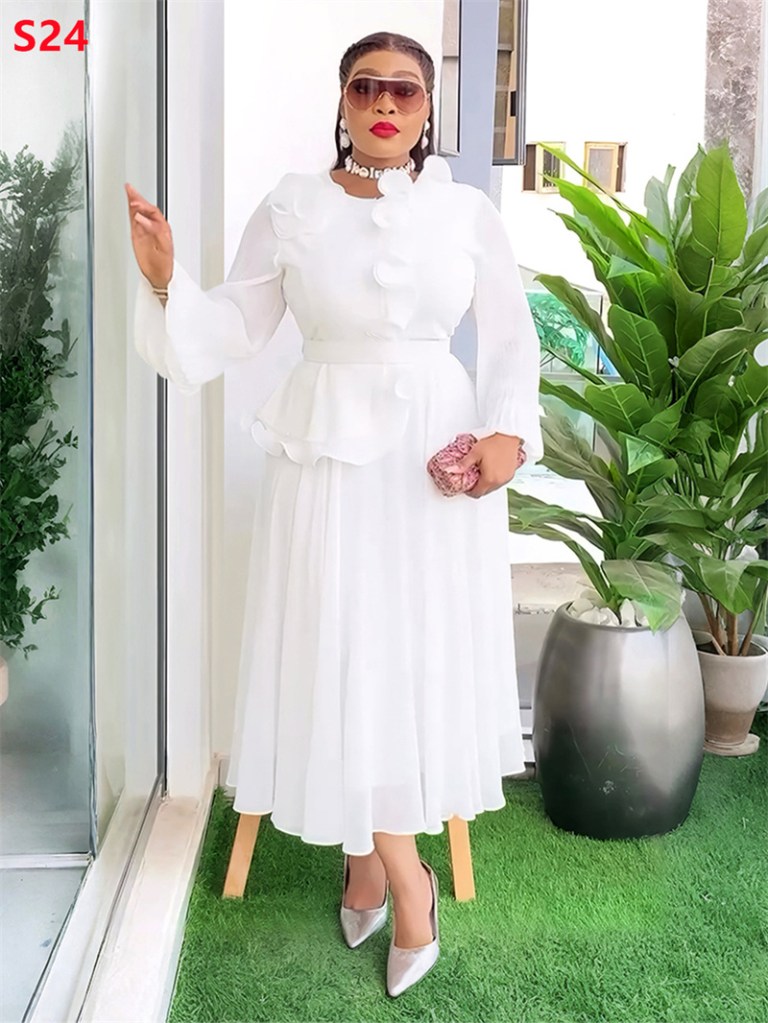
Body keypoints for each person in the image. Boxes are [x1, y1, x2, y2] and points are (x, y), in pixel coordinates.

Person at [126, 29, 543, 999]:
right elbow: (234, 326)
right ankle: (398, 871)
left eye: (405, 88)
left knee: (407, 654)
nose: (384, 102)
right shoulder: (291, 205)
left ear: (428, 107)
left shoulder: (466, 212)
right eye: (365, 86)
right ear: (343, 102)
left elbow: (512, 342)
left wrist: (506, 440)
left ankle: (377, 863)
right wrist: (166, 279)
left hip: (435, 466)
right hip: (323, 459)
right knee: (337, 648)